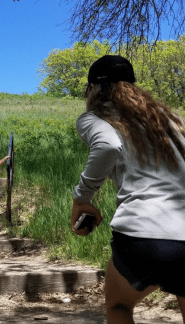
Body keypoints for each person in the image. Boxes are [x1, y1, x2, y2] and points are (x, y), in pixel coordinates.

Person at [71, 55, 185, 323]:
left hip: (142, 235)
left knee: (119, 306)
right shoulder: (172, 120)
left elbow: (108, 145)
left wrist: (82, 199)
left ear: (93, 89)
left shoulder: (95, 118)